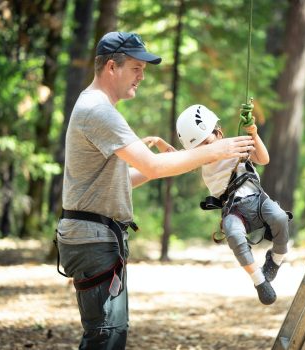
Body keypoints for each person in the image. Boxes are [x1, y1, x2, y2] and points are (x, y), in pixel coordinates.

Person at [55, 31, 255, 350]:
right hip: (94, 239)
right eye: (136, 68)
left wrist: (161, 164)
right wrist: (218, 151)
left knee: (106, 333)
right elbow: (154, 167)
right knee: (107, 335)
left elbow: (124, 179)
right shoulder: (99, 110)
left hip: (94, 236)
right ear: (111, 67)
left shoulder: (92, 105)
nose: (142, 76)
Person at [176, 104, 291, 305]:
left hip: (257, 199)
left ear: (218, 133)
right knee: (233, 233)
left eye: (208, 142)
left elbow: (263, 159)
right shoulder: (199, 161)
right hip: (234, 209)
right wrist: (160, 144)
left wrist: (253, 133)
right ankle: (259, 280)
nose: (207, 149)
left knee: (280, 217)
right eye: (200, 147)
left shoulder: (235, 145)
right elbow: (174, 159)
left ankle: (276, 259)